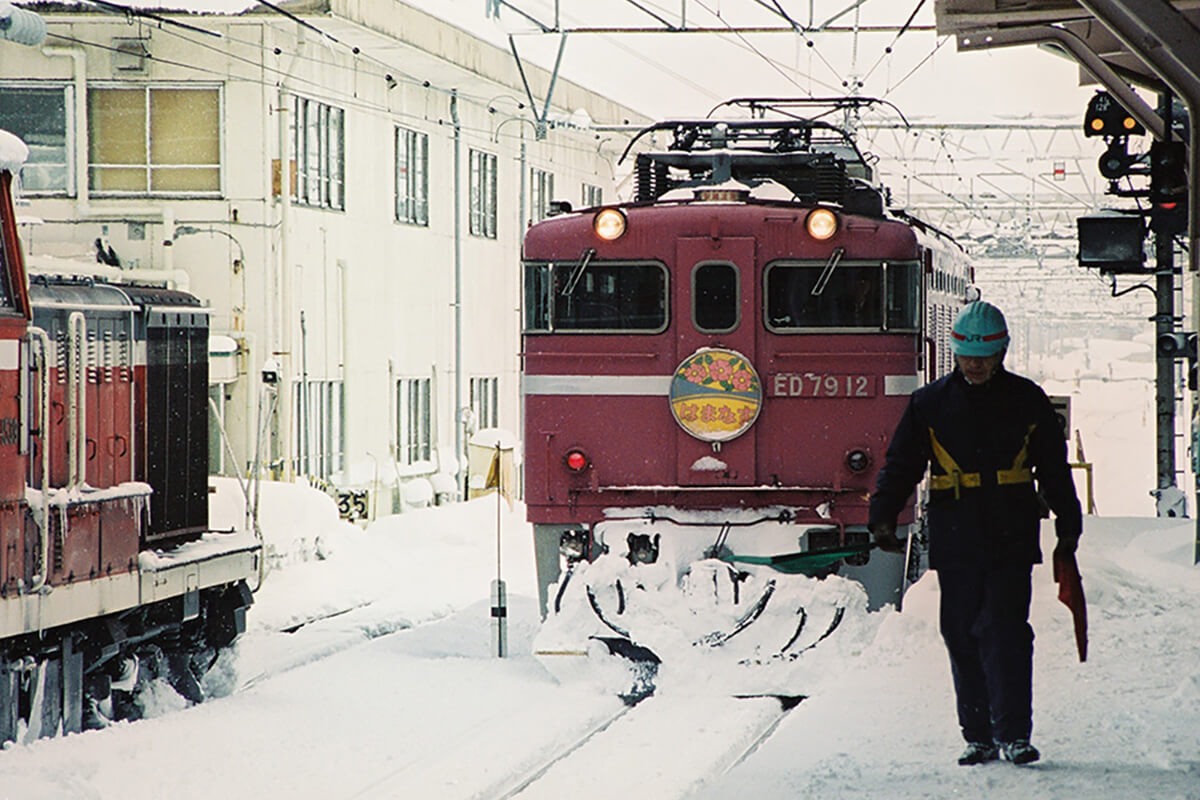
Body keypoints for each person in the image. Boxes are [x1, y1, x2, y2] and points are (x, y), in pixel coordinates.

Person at [868, 300, 1082, 767]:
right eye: (968, 352)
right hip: (957, 532)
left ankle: (1013, 735)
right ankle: (979, 735)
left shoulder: (1028, 400)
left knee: (1005, 631)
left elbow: (1053, 469)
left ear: (1001, 350)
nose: (976, 362)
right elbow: (902, 464)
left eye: (985, 352)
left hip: (1010, 531)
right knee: (961, 633)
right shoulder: (928, 404)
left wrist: (1069, 525)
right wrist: (884, 514)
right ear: (956, 350)